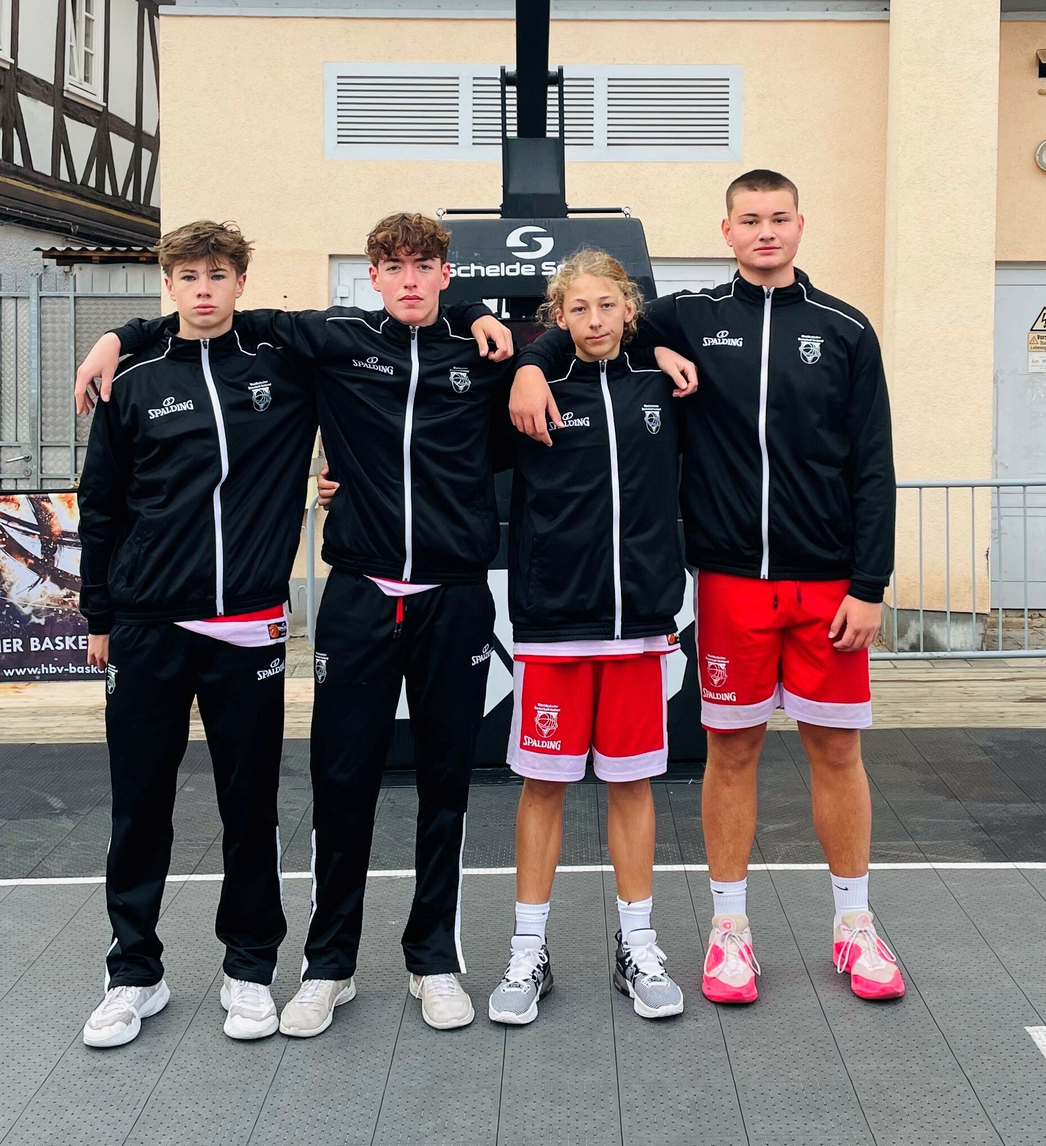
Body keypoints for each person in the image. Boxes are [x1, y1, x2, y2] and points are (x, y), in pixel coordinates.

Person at [77, 213, 513, 1036]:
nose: (409, 278)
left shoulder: (472, 356)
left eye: (424, 265)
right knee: (301, 791)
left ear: (445, 273)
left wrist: (498, 333)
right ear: (371, 275)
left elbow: (577, 337)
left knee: (425, 791)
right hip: (284, 604)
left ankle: (415, 960)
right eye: (393, 265)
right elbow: (103, 499)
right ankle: (305, 967)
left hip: (426, 599)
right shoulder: (319, 344)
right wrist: (117, 334)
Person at [511, 170, 905, 1004]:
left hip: (829, 582)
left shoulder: (845, 328)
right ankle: (731, 931)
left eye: (778, 217)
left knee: (838, 749)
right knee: (732, 750)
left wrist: (870, 582)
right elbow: (590, 323)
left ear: (800, 224)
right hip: (730, 582)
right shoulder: (689, 315)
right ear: (726, 230)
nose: (765, 231)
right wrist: (531, 367)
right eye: (749, 219)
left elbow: (874, 461)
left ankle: (856, 924)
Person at [78, 221, 319, 1048]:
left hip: (247, 624)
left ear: (241, 282)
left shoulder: (282, 367)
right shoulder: (134, 380)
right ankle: (133, 973)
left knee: (248, 805)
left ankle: (248, 967)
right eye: (188, 275)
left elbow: (380, 342)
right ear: (170, 284)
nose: (204, 288)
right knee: (140, 804)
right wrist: (100, 615)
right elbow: (101, 505)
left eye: (218, 274)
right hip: (147, 625)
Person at [491, 249, 694, 1024]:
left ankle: (637, 946)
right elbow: (441, 451)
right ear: (558, 316)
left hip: (639, 625)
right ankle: (527, 952)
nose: (595, 318)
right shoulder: (534, 387)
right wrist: (341, 481)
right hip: (554, 625)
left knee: (632, 784)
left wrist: (656, 348)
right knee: (542, 786)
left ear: (630, 309)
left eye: (607, 304)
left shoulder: (659, 382)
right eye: (578, 307)